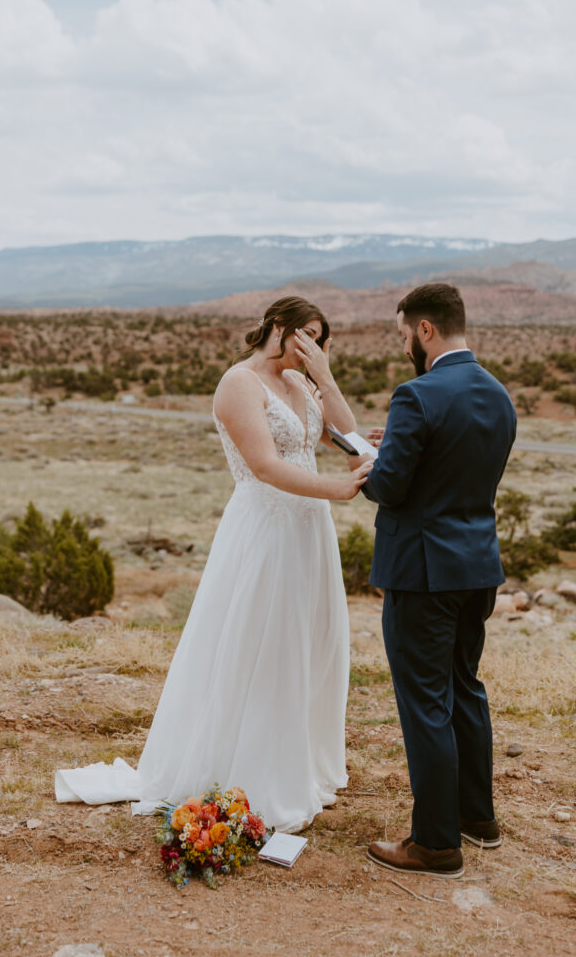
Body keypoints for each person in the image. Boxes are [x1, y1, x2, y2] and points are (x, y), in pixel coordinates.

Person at [55, 296, 372, 832]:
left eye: (321, 339)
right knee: (262, 644)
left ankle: (299, 769)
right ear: (278, 327)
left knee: (309, 643)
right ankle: (252, 775)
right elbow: (266, 466)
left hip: (308, 532)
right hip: (265, 528)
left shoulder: (301, 383)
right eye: (306, 336)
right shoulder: (239, 384)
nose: (312, 346)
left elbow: (350, 441)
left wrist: (326, 376)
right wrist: (337, 491)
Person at [351, 283, 516, 878]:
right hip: (478, 567)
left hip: (422, 572)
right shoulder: (498, 394)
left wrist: (369, 466)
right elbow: (459, 470)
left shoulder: (416, 395)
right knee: (464, 687)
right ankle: (478, 818)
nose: (404, 347)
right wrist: (395, 446)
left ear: (425, 330)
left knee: (425, 703)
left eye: (404, 335)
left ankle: (436, 843)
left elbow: (392, 488)